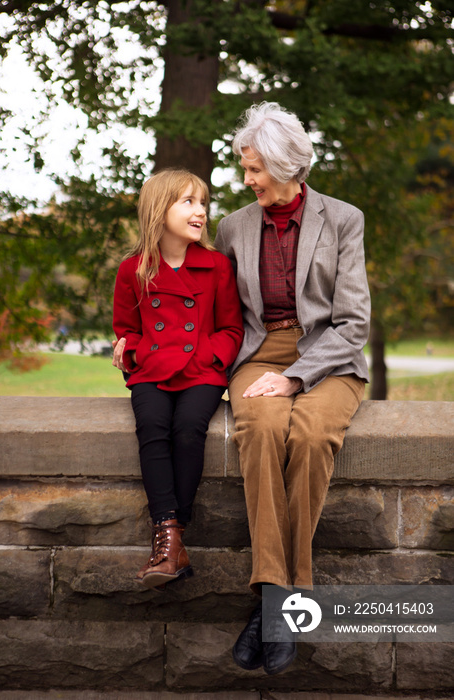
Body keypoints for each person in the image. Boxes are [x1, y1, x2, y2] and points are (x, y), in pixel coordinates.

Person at [214, 102, 371, 675]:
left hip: (330, 357)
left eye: (254, 168)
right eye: (246, 168)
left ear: (285, 166)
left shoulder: (343, 219)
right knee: (259, 427)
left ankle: (276, 599)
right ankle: (281, 596)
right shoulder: (234, 227)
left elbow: (353, 322)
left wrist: (297, 377)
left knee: (309, 435)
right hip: (259, 354)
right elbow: (210, 306)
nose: (247, 179)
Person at [112, 168, 244, 590]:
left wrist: (208, 356)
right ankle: (169, 538)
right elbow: (125, 328)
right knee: (152, 427)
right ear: (158, 210)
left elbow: (231, 329)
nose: (200, 211)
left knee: (188, 430)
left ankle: (171, 540)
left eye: (203, 202)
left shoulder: (217, 266)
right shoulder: (132, 270)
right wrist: (130, 348)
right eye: (188, 202)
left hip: (201, 370)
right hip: (152, 369)